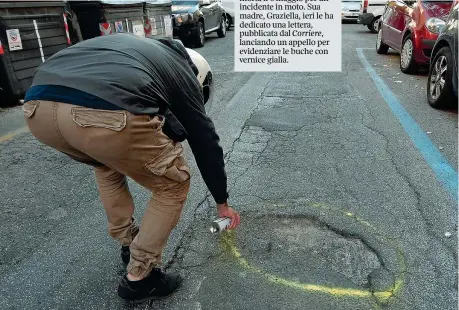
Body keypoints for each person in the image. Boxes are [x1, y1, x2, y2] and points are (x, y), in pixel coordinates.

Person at [22, 33, 240, 302]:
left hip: (37, 109)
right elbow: (204, 139)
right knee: (173, 183)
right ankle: (140, 276)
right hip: (102, 110)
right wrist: (222, 203)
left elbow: (157, 114)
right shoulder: (181, 71)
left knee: (105, 164)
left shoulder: (138, 50)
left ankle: (128, 243)